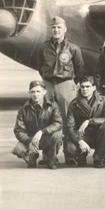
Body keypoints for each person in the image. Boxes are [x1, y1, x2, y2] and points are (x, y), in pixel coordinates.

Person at [31, 16, 85, 147]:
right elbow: (40, 66)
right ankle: (49, 153)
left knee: (68, 117)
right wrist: (47, 79)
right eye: (53, 27)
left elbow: (80, 69)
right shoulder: (43, 47)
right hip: (48, 84)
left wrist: (71, 84)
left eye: (59, 27)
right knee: (46, 116)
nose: (56, 30)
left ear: (65, 29)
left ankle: (70, 151)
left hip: (65, 84)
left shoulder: (73, 48)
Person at [12, 80, 63, 169]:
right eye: (33, 92)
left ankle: (51, 159)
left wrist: (42, 132)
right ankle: (32, 155)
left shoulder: (53, 106)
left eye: (38, 91)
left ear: (44, 92)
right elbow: (18, 130)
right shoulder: (23, 109)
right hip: (31, 140)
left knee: (57, 135)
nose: (35, 94)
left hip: (46, 138)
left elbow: (58, 123)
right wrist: (29, 141)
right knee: (20, 150)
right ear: (29, 93)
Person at [64, 78, 105, 168]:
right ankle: (81, 156)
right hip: (82, 135)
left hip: (98, 134)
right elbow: (70, 127)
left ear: (94, 87)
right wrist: (79, 141)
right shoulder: (74, 103)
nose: (85, 89)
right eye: (82, 87)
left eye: (88, 86)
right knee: (70, 148)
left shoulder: (103, 100)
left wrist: (89, 121)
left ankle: (98, 158)